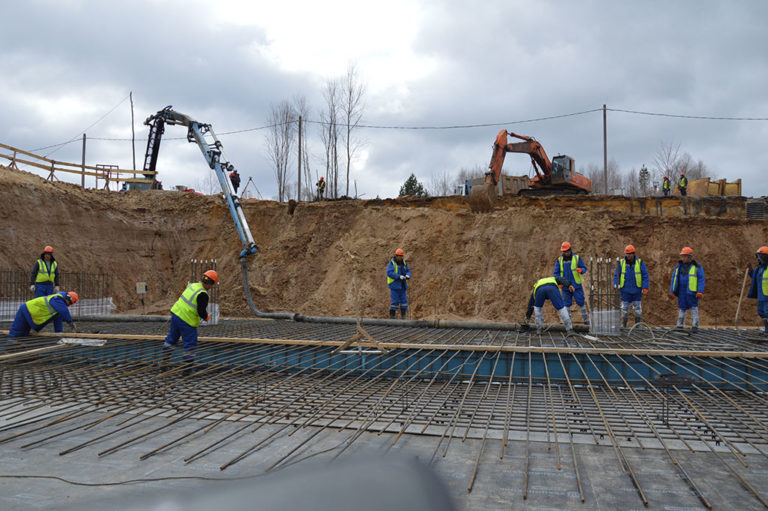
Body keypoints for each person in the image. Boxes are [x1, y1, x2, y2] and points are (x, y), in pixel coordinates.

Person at [163, 270, 218, 369]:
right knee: (190, 345)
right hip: (187, 320)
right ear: (211, 284)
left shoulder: (193, 285)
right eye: (211, 285)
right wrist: (206, 317)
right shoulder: (203, 294)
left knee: (171, 339)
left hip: (176, 315)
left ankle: (164, 362)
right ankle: (186, 370)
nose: (210, 288)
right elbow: (201, 311)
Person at [8, 291, 78, 338]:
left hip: (32, 315)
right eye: (70, 304)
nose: (68, 306)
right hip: (26, 311)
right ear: (68, 299)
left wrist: (58, 334)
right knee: (16, 334)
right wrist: (70, 322)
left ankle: (19, 352)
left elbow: (58, 321)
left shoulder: (59, 304)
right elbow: (63, 311)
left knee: (24, 335)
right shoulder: (57, 299)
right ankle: (9, 350)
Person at [613, 245, 650, 327]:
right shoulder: (622, 263)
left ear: (633, 254)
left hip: (637, 290)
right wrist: (616, 284)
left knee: (637, 309)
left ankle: (637, 325)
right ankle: (624, 324)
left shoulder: (640, 263)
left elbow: (645, 276)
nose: (628, 255)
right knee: (625, 309)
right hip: (625, 290)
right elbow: (616, 275)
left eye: (630, 254)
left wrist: (645, 287)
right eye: (627, 254)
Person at [554, 241, 589, 326]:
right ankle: (568, 323)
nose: (566, 253)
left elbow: (584, 268)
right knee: (566, 305)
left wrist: (581, 270)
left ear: (570, 250)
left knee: (581, 303)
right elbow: (556, 273)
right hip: (565, 287)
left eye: (567, 251)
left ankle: (586, 322)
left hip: (576, 286)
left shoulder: (577, 258)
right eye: (564, 252)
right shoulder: (559, 260)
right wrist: (559, 281)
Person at [669, 246, 705, 331]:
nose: (682, 258)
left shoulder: (697, 267)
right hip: (682, 291)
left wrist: (700, 291)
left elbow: (701, 279)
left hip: (692, 292)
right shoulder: (679, 267)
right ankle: (680, 325)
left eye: (684, 256)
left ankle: (695, 326)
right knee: (682, 308)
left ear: (689, 257)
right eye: (682, 256)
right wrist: (672, 290)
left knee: (693, 308)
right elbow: (674, 278)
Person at [747, 246, 768, 337]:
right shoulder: (759, 268)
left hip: (767, 295)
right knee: (761, 312)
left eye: (760, 257)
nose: (758, 259)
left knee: (767, 312)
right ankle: (766, 329)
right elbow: (755, 277)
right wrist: (751, 270)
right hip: (761, 295)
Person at [386, 248, 410, 319]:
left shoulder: (404, 264)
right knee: (395, 302)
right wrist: (398, 276)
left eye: (401, 256)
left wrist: (408, 275)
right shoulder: (391, 264)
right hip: (394, 286)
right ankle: (392, 317)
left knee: (404, 302)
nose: (400, 257)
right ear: (396, 256)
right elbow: (389, 273)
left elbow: (408, 271)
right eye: (398, 256)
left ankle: (403, 317)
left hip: (402, 286)